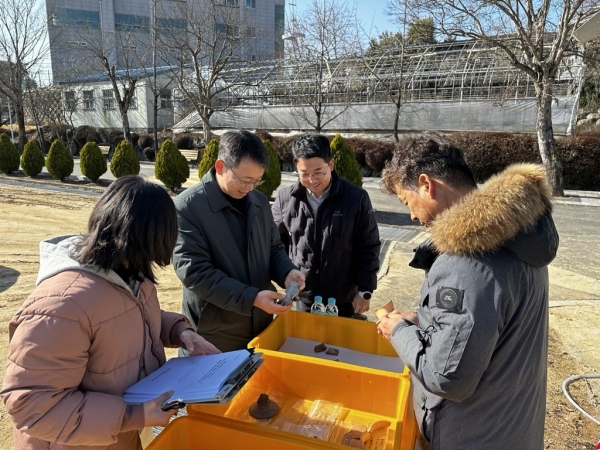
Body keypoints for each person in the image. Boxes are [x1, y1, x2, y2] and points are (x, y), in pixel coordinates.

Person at [1, 175, 220, 450]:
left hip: (120, 436)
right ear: (139, 240)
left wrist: (181, 332)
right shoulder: (60, 307)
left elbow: (128, 319)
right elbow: (33, 405)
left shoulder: (129, 274)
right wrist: (133, 415)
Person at [377, 133, 559, 450]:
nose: (412, 215)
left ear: (426, 184)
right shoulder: (516, 235)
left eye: (407, 202)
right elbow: (488, 323)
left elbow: (447, 377)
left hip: (470, 435)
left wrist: (399, 331)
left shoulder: (467, 260)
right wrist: (422, 317)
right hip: (511, 429)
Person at [172, 130, 305, 352]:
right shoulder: (187, 208)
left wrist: (286, 272)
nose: (249, 188)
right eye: (244, 180)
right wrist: (251, 298)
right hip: (215, 334)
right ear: (220, 166)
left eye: (256, 181)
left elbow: (273, 248)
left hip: (260, 326)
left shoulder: (259, 202)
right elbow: (194, 272)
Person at [271, 133, 380, 318]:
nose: (312, 180)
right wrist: (286, 275)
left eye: (318, 172)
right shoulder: (285, 198)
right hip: (303, 294)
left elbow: (368, 246)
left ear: (331, 165)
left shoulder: (355, 198)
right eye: (304, 174)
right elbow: (274, 244)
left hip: (343, 297)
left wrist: (365, 291)